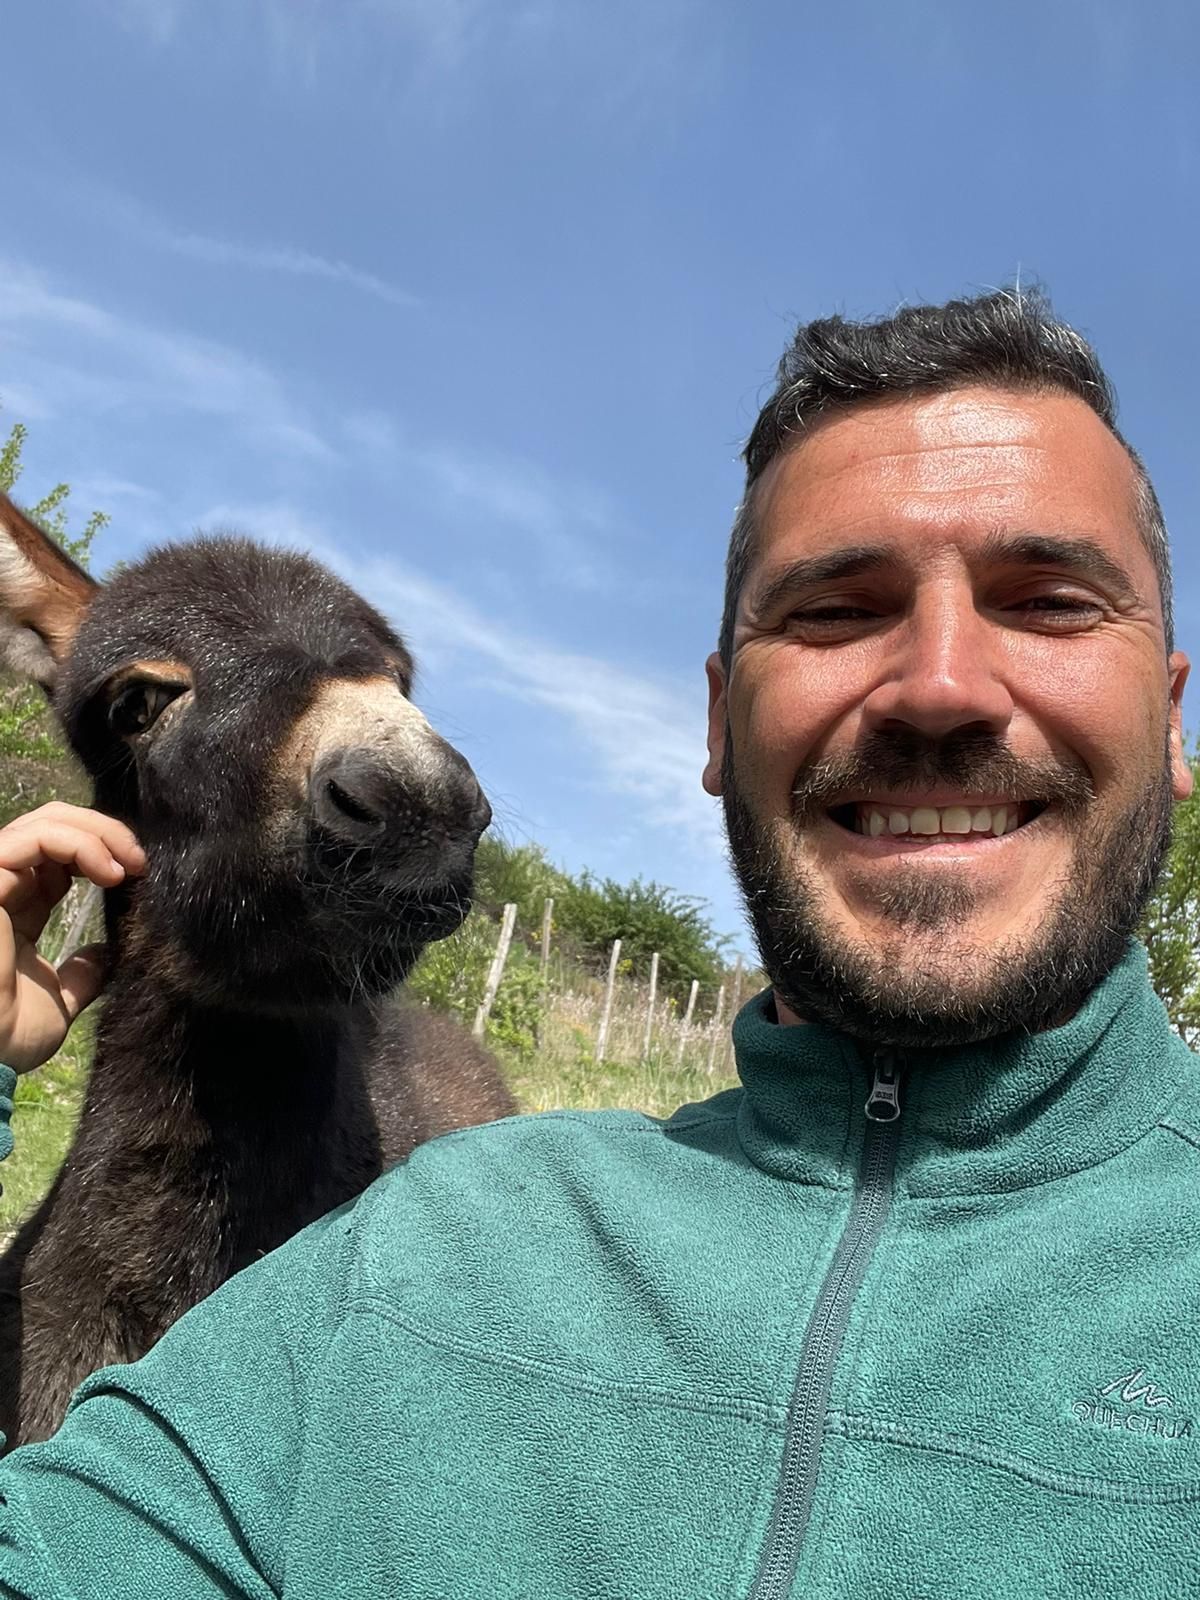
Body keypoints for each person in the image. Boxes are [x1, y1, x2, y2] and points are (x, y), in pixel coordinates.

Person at [0, 287, 1197, 1599]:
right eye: (834, 610)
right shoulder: (449, 1232)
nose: (941, 686)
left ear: (1176, 718)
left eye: (1049, 600)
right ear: (716, 723)